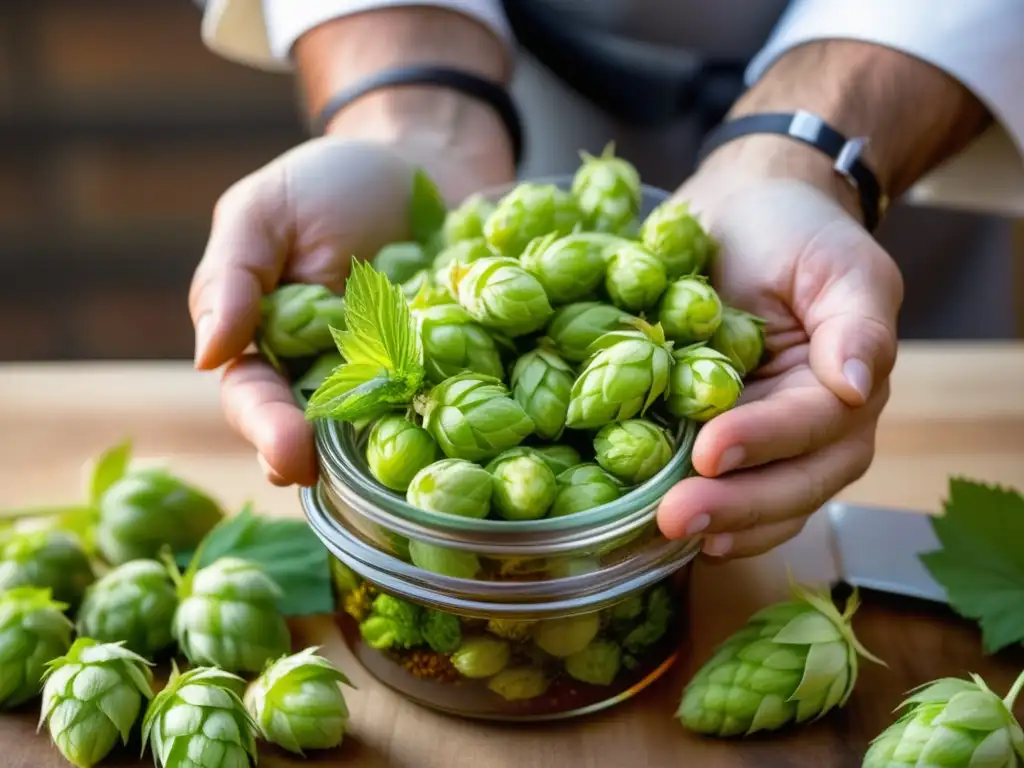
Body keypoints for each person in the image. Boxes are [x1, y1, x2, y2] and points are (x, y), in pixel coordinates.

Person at [189, 0, 1024, 560]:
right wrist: (406, 112)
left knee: (819, 394)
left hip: (897, 118)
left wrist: (808, 155)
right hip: (531, 73)